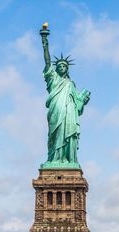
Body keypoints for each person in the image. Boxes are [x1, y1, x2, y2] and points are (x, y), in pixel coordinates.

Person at [41, 30, 90, 166]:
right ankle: (54, 159)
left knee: (69, 135)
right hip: (56, 109)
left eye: (64, 66)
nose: (62, 67)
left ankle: (68, 160)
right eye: (60, 66)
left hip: (69, 113)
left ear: (67, 69)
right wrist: (45, 43)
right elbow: (47, 62)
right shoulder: (53, 79)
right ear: (56, 69)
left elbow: (78, 104)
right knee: (55, 134)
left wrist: (83, 100)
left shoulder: (70, 84)